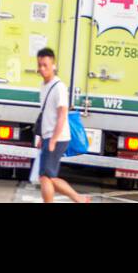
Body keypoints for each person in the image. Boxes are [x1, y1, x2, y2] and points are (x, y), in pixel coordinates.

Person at [34, 47, 90, 205]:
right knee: (45, 176)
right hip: (48, 136)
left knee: (47, 176)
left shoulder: (59, 87)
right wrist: (41, 138)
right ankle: (78, 199)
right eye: (40, 65)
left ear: (53, 65)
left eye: (45, 65)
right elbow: (45, 115)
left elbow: (62, 115)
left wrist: (53, 140)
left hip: (57, 138)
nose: (42, 68)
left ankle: (78, 198)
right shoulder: (44, 85)